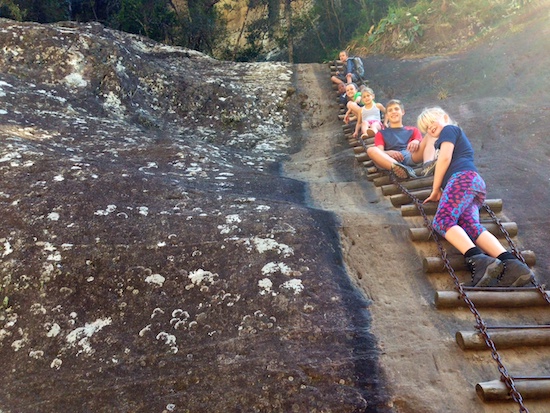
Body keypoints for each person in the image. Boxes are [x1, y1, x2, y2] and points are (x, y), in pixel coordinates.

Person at [417, 107, 534, 287]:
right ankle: (513, 265)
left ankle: (478, 260)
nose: (430, 127)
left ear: (445, 117)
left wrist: (435, 189)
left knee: (442, 220)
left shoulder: (449, 130)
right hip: (473, 184)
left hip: (462, 180)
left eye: (433, 121)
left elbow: (445, 159)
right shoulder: (443, 140)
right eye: (426, 127)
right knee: (471, 226)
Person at [366, 99, 436, 179]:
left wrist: (416, 141)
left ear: (402, 112)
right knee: (371, 150)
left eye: (396, 109)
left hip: (410, 155)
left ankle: (427, 165)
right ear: (387, 115)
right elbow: (380, 151)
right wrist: (389, 152)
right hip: (391, 160)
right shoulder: (381, 133)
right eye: (390, 110)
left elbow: (423, 143)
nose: (393, 112)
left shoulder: (412, 130)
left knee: (431, 135)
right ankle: (401, 169)